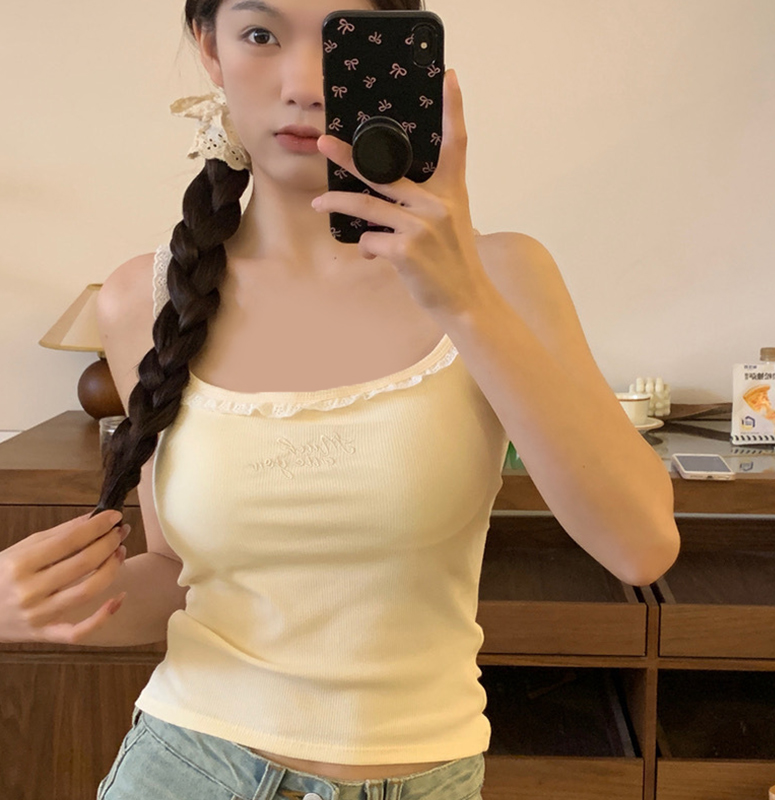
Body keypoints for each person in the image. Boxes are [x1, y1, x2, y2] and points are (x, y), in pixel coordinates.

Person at [3, 0, 681, 797]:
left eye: (341, 40)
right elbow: (178, 574)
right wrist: (26, 605)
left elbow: (640, 548)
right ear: (210, 50)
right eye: (260, 35)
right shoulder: (142, 299)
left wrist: (463, 300)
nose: (305, 83)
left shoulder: (502, 277)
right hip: (186, 766)